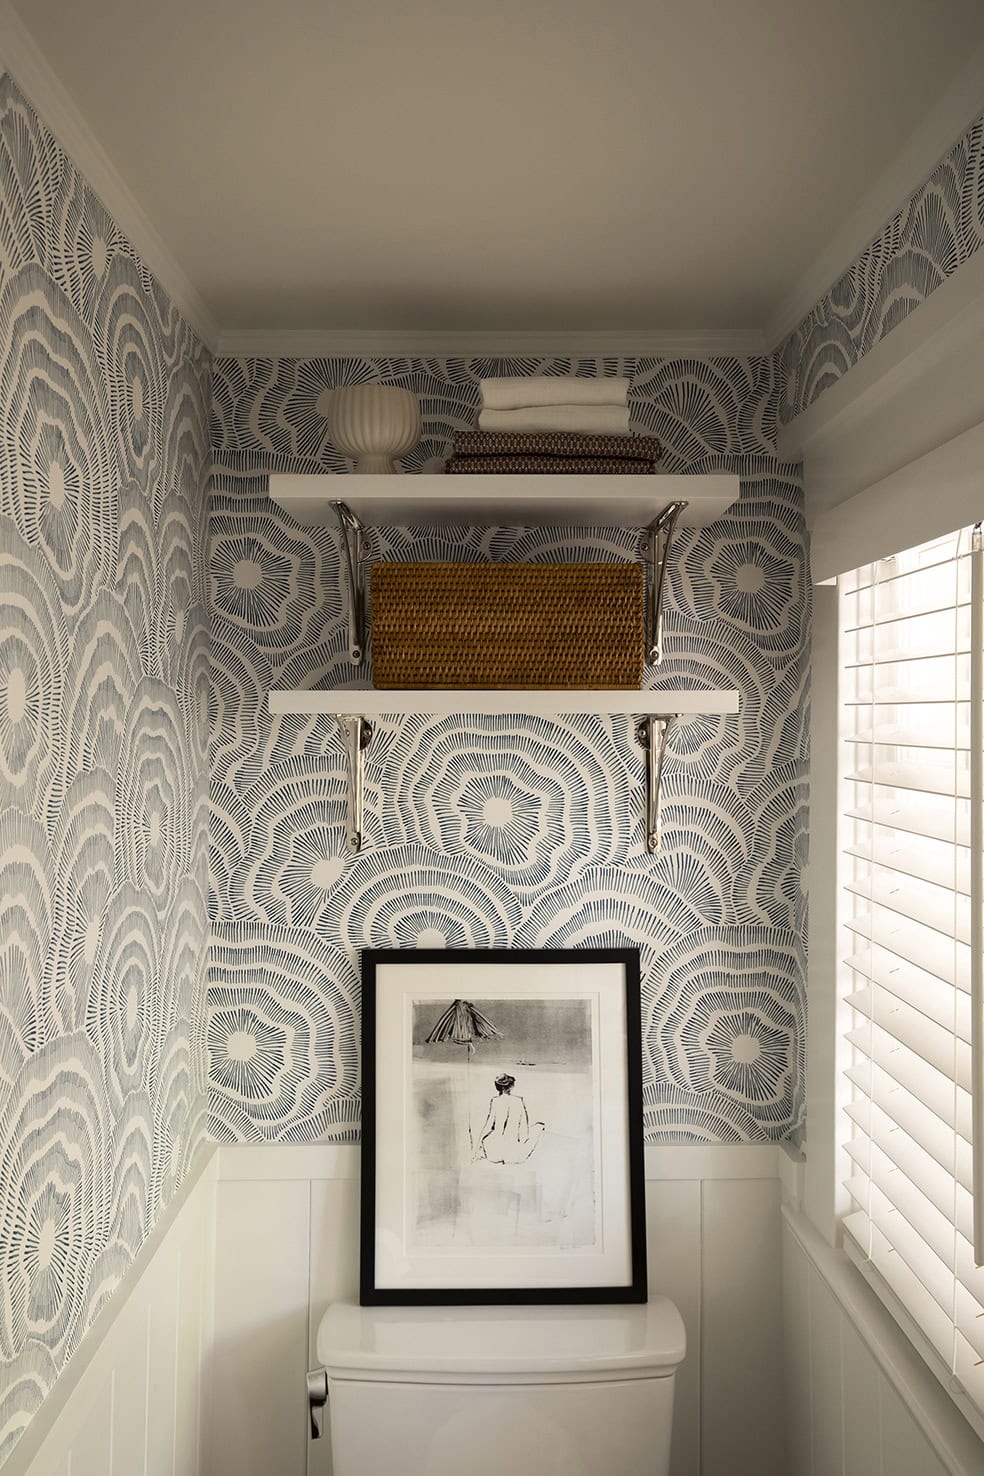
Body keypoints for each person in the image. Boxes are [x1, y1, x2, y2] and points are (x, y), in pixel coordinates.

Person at [476, 1074, 544, 1164]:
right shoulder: (518, 1101)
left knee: (491, 1138)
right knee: (538, 1126)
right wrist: (522, 1142)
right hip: (512, 1153)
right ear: (511, 1087)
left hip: (494, 1153)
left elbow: (488, 1125)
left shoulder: (495, 1101)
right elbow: (523, 1128)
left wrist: (479, 1144)